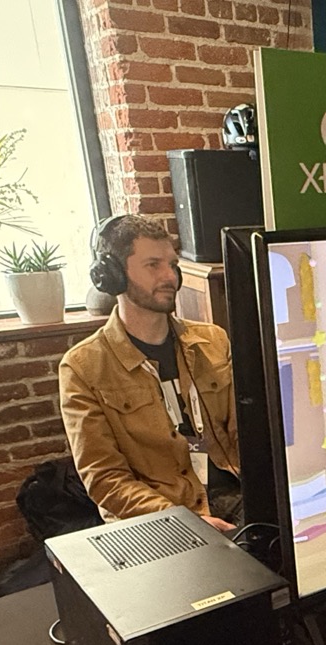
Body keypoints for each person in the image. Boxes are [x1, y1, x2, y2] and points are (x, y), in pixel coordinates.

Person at [58, 214, 242, 533]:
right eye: (153, 265)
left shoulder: (213, 341)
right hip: (157, 518)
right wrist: (185, 523)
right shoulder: (83, 367)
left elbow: (246, 434)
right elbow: (105, 479)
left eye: (172, 264)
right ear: (113, 275)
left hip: (234, 497)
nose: (169, 276)